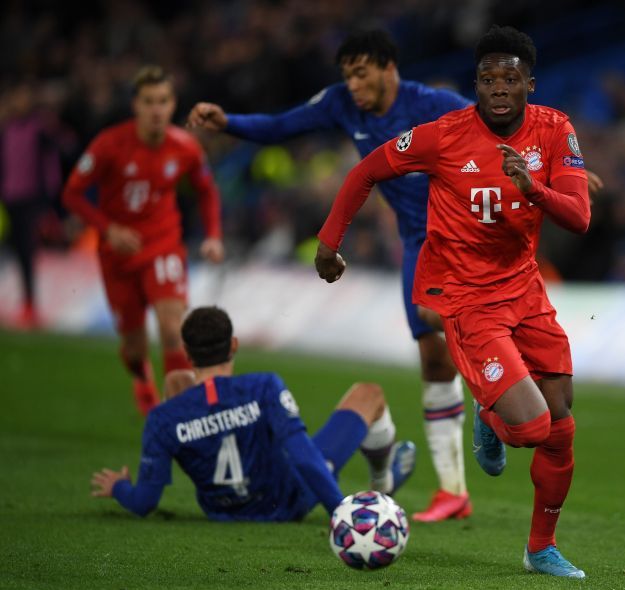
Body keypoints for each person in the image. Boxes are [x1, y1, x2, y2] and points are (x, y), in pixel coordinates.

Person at [314, 26, 588, 578]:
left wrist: (532, 187)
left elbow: (578, 217)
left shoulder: (555, 129)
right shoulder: (443, 135)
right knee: (531, 429)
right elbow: (367, 170)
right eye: (488, 79)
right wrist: (327, 244)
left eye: (510, 78)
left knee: (561, 427)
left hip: (526, 289)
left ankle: (540, 549)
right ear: (477, 85)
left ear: (529, 84)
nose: (499, 89)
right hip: (466, 297)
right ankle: (488, 413)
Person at [186, 30, 473, 522]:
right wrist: (229, 121)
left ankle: (494, 414)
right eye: (347, 75)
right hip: (416, 244)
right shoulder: (342, 104)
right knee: (431, 351)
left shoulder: (435, 104)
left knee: (449, 330)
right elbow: (283, 125)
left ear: (389, 67)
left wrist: (555, 166)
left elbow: (502, 129)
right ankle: (453, 491)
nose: (353, 84)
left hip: (467, 236)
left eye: (362, 73)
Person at [90, 306, 417, 521]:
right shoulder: (263, 387)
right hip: (286, 501)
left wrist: (119, 487)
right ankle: (382, 483)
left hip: (221, 509)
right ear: (233, 346)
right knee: (369, 393)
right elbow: (304, 456)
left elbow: (144, 501)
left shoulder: (161, 418)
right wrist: (340, 513)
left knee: (177, 383)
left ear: (188, 353)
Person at [62, 66, 224, 416]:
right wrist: (109, 229)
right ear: (136, 104)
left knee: (172, 328)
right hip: (117, 255)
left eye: (163, 101)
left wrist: (212, 235)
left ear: (172, 105)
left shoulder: (185, 147)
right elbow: (72, 194)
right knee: (134, 348)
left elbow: (206, 190)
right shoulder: (109, 144)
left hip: (162, 245)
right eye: (149, 101)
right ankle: (142, 378)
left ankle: (179, 412)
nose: (156, 109)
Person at [0, 82, 63, 329]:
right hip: (7, 200)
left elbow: (52, 166)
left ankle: (30, 305)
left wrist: (49, 201)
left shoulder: (39, 130)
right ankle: (23, 302)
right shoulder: (7, 130)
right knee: (15, 252)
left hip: (30, 200)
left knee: (27, 253)